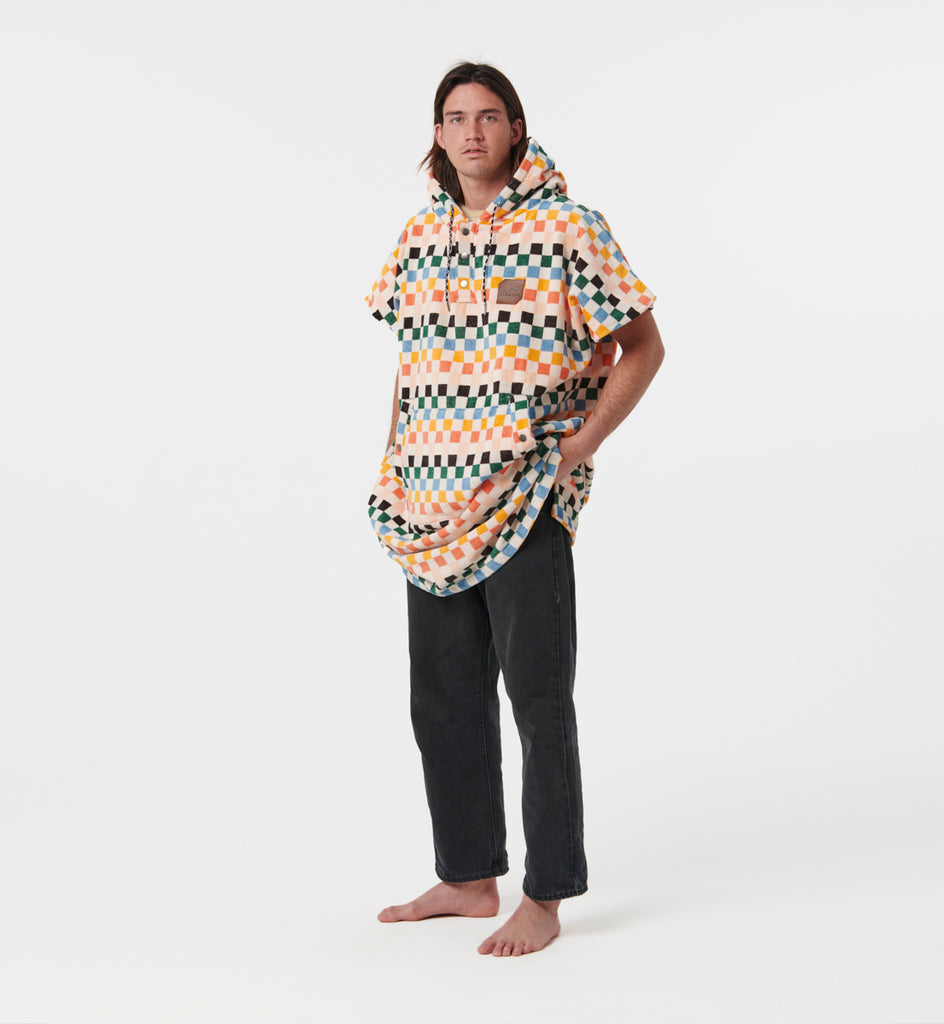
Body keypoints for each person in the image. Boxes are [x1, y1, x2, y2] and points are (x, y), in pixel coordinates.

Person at [365, 61, 664, 956]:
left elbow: (643, 346)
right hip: (429, 505)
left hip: (526, 499)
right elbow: (412, 359)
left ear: (516, 128)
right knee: (442, 698)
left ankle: (546, 893)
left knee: (537, 699)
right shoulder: (419, 237)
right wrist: (391, 460)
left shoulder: (569, 227)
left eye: (489, 116)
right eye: (455, 117)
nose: (472, 132)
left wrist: (577, 449)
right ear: (437, 133)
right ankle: (468, 876)